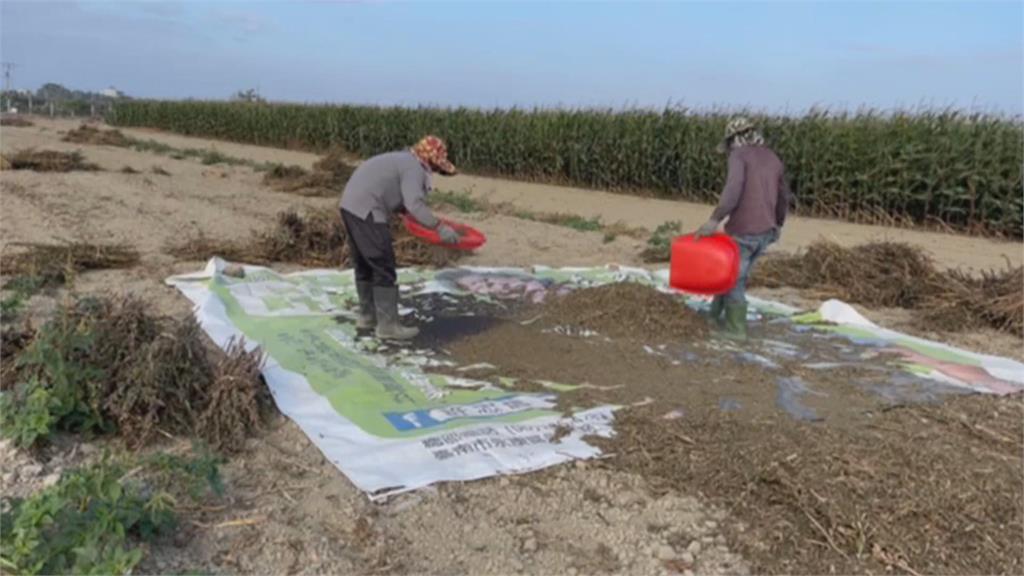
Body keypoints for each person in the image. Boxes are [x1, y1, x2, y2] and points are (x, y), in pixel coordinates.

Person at [340, 135, 461, 340]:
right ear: (431, 160)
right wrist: (439, 228)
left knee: (364, 263)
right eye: (437, 168)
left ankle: (367, 316)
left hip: (350, 206)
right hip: (368, 209)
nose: (436, 172)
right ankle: (388, 327)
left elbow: (401, 200)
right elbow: (415, 204)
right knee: (383, 264)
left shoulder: (402, 159)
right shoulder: (414, 168)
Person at [694, 117, 791, 340]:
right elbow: (784, 196)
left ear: (734, 140)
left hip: (744, 232)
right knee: (731, 274)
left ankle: (736, 330)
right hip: (766, 231)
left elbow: (733, 191)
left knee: (734, 280)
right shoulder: (773, 158)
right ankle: (714, 314)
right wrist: (778, 224)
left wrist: (714, 220)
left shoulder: (739, 155)